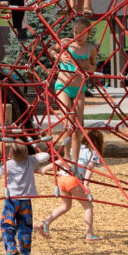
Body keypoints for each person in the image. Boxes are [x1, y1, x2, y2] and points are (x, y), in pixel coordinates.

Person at [39, 129, 103, 242]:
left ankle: (46, 222)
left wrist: (46, 167)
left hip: (62, 178)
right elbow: (90, 168)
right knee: (88, 206)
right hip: (74, 179)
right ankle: (89, 234)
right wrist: (86, 184)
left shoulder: (75, 149)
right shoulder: (93, 152)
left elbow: (63, 160)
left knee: (65, 206)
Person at [0, 140, 49, 255]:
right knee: (25, 226)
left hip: (12, 200)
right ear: (26, 153)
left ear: (10, 154)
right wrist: (33, 155)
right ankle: (25, 252)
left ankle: (11, 248)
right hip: (25, 200)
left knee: (7, 224)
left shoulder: (9, 164)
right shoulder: (30, 161)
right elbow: (46, 156)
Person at [51, 17, 97, 166]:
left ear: (88, 32)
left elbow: (93, 67)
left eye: (81, 33)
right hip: (63, 86)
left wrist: (87, 66)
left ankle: (75, 162)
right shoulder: (67, 43)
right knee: (69, 124)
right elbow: (51, 49)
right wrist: (58, 56)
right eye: (75, 32)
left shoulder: (90, 49)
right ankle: (66, 157)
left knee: (78, 127)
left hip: (79, 89)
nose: (77, 35)